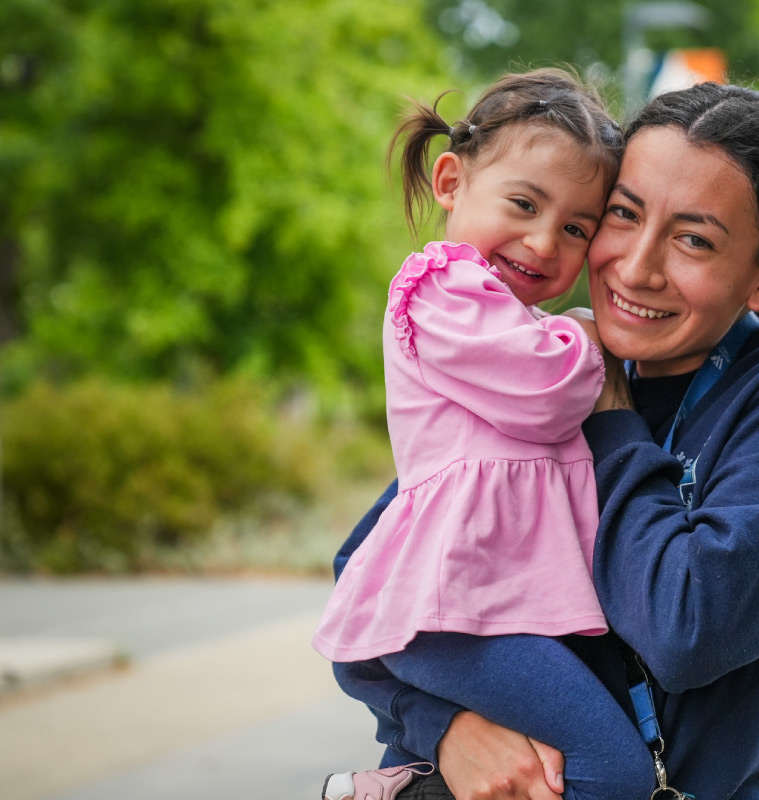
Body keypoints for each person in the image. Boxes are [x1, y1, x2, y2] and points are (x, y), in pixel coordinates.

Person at [333, 82, 759, 800]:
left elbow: (685, 630)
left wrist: (614, 418)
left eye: (693, 239)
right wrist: (443, 726)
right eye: (623, 215)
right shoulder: (543, 367)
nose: (636, 265)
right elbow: (367, 576)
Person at [312, 69, 658, 800]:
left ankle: (406, 785)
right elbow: (550, 396)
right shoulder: (441, 285)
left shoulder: (513, 318)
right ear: (449, 179)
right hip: (459, 603)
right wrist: (592, 332)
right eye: (524, 203)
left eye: (575, 228)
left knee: (549, 767)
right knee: (614, 774)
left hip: (494, 600)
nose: (542, 241)